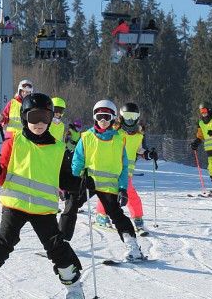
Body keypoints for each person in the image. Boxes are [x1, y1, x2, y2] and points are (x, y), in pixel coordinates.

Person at [0, 93, 88, 299]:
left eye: (45, 117)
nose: (39, 123)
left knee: (57, 247)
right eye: (34, 116)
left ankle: (75, 293)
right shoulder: (14, 142)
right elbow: (0, 178)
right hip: (15, 204)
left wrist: (81, 184)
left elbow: (64, 180)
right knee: (5, 240)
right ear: (24, 117)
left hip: (43, 210)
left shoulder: (58, 149)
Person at [58, 100, 146, 261]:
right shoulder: (86, 137)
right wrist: (72, 182)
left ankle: (132, 246)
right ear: (94, 118)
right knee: (70, 206)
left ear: (113, 118)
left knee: (116, 214)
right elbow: (77, 161)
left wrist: (123, 188)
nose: (103, 121)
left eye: (106, 117)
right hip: (87, 183)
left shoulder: (119, 139)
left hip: (109, 186)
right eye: (99, 117)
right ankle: (60, 243)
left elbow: (124, 166)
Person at [95, 103, 157, 236]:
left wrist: (148, 154)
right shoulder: (115, 132)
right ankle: (101, 215)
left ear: (137, 117)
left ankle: (138, 220)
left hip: (126, 172)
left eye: (133, 116)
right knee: (109, 192)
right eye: (127, 116)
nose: (130, 119)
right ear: (121, 117)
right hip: (112, 169)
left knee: (127, 194)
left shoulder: (139, 135)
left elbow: (140, 151)